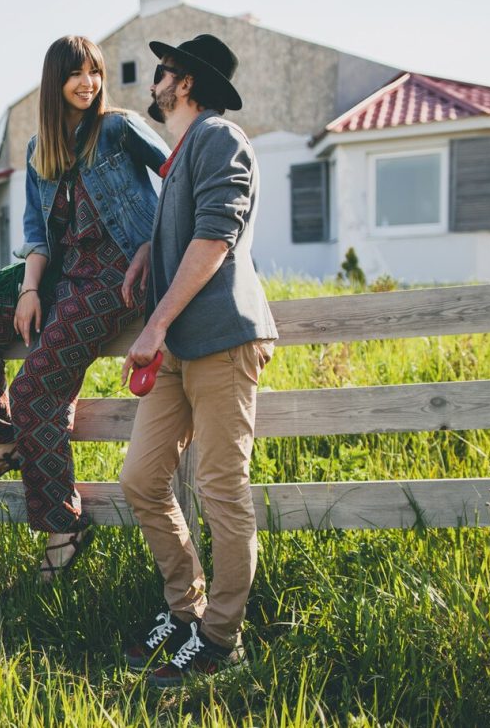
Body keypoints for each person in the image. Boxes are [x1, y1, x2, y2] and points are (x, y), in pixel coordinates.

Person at [0, 35, 168, 580]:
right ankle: (4, 439)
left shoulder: (118, 128)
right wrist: (27, 290)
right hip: (63, 277)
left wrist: (155, 244)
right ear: (55, 82)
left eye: (94, 72)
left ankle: (63, 526)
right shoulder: (38, 150)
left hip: (117, 276)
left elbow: (178, 175)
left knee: (34, 389)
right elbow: (36, 234)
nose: (88, 83)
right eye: (76, 74)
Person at [117, 34, 278, 687]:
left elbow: (217, 234)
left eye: (162, 72)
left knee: (220, 489)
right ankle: (186, 609)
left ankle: (221, 638)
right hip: (180, 348)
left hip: (221, 339)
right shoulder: (183, 152)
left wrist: (154, 324)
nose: (153, 81)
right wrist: (148, 252)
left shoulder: (218, 137)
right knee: (141, 479)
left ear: (183, 82)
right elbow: (189, 232)